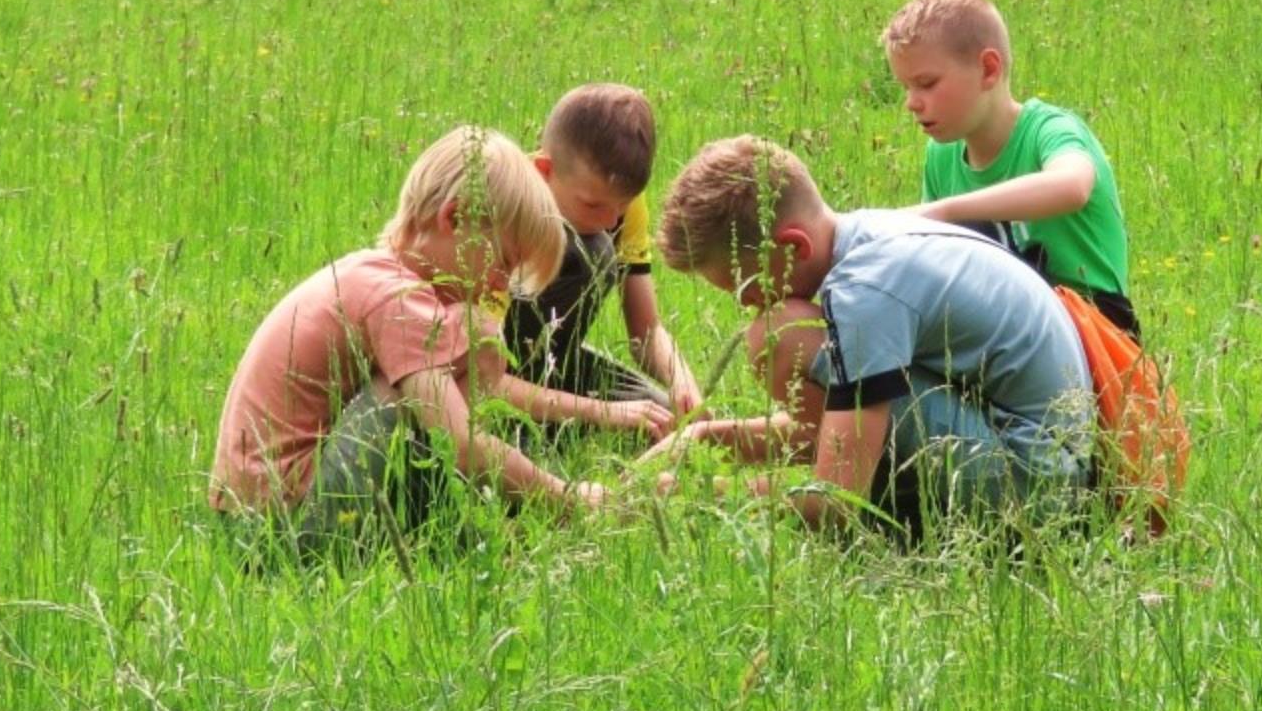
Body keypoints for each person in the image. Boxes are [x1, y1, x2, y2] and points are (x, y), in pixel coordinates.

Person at [648, 136, 1095, 541]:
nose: (748, 306)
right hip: (1043, 456)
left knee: (780, 334)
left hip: (1034, 491)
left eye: (745, 287)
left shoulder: (866, 290)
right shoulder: (868, 235)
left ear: (794, 247)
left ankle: (910, 522)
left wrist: (704, 496)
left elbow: (837, 500)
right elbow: (828, 430)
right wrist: (707, 437)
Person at [208, 126, 605, 558]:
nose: (500, 284)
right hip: (279, 534)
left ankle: (466, 536)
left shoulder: (374, 274)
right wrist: (567, 500)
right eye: (503, 262)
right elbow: (462, 446)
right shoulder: (398, 300)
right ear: (454, 219)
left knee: (457, 353)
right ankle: (474, 538)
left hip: (256, 521)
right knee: (432, 375)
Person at [884, 0, 1139, 339]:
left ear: (989, 69)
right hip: (1003, 328)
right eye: (905, 87)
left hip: (1095, 331)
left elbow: (1072, 185)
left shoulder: (1048, 130)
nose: (912, 101)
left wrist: (942, 212)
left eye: (926, 83)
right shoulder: (941, 156)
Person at [487, 84, 703, 443]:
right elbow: (479, 380)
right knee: (592, 250)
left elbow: (645, 331)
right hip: (474, 373)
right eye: (593, 206)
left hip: (556, 364)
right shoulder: (498, 214)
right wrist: (602, 413)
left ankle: (554, 415)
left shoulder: (616, 200)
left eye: (620, 207)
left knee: (664, 420)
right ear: (543, 170)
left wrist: (681, 379)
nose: (609, 221)